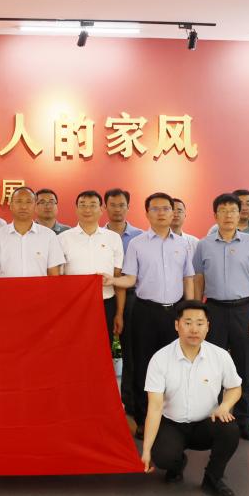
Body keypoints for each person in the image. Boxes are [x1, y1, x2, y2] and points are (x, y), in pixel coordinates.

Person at [107, 192, 195, 436]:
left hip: (175, 313)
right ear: (147, 214)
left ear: (173, 212)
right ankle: (144, 418)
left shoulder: (183, 244)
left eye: (166, 208)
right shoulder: (137, 244)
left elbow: (188, 279)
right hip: (145, 312)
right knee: (144, 366)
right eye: (155, 209)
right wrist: (112, 280)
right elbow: (130, 279)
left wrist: (190, 312)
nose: (161, 213)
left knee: (175, 366)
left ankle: (172, 417)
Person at [140, 301, 242, 496]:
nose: (194, 329)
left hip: (206, 423)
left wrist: (224, 406)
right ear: (177, 325)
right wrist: (145, 450)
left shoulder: (220, 356)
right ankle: (177, 464)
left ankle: (213, 478)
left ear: (207, 327)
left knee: (230, 430)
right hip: (172, 424)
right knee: (163, 456)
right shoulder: (160, 359)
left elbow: (235, 387)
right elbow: (155, 407)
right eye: (187, 323)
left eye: (199, 323)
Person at [193, 193, 249, 441]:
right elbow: (198, 280)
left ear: (240, 214)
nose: (228, 215)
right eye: (223, 211)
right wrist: (198, 314)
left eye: (233, 210)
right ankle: (212, 419)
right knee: (211, 367)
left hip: (244, 310)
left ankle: (245, 420)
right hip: (213, 310)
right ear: (215, 215)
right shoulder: (203, 245)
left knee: (244, 366)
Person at [59, 190, 124, 349]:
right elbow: (58, 280)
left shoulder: (113, 238)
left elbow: (118, 278)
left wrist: (119, 313)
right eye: (82, 205)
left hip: (105, 304)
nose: (87, 209)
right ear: (76, 209)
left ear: (101, 209)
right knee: (74, 348)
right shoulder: (62, 239)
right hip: (74, 305)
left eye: (93, 205)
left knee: (102, 349)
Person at [104, 187, 143, 420]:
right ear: (105, 207)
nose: (117, 209)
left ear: (128, 207)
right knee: (102, 353)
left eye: (121, 205)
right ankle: (105, 404)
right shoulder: (98, 236)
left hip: (134, 299)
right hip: (106, 298)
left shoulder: (141, 237)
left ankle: (130, 404)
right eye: (113, 205)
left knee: (132, 354)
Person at [0, 187, 65, 278]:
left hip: (40, 288)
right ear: (11, 205)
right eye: (19, 201)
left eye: (28, 202)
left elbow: (53, 275)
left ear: (35, 206)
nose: (23, 207)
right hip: (6, 288)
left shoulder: (49, 236)